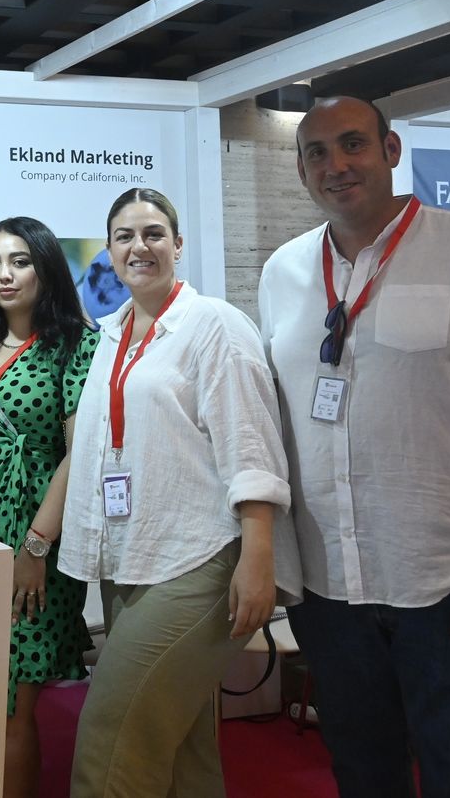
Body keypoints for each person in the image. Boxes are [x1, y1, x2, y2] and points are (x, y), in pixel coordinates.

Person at [257, 96, 450, 798]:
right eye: (316, 152)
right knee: (363, 775)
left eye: (353, 145)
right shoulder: (283, 274)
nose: (336, 166)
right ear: (301, 168)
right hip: (330, 590)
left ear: (391, 150)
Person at [61, 188, 299, 798]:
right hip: (133, 554)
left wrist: (258, 555)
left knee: (113, 738)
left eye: (153, 234)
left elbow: (251, 444)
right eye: (124, 236)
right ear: (108, 252)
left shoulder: (213, 324)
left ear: (177, 244)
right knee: (182, 744)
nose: (139, 246)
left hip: (200, 555)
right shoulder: (112, 333)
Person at [0, 216, 99, 798]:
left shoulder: (77, 344)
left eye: (21, 261)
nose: (5, 275)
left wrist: (35, 547)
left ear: (47, 267)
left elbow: (80, 453)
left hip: (33, 532)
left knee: (10, 703)